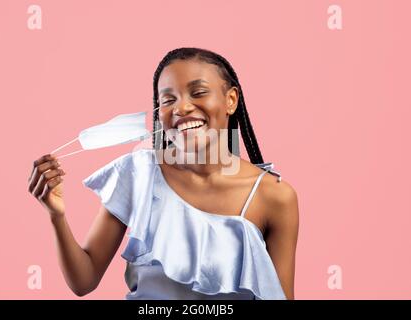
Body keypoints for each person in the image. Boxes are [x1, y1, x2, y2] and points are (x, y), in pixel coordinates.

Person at [28, 47, 299, 300]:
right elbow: (83, 280)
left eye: (199, 92)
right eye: (168, 99)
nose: (181, 108)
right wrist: (57, 216)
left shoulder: (274, 197)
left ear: (230, 100)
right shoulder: (138, 174)